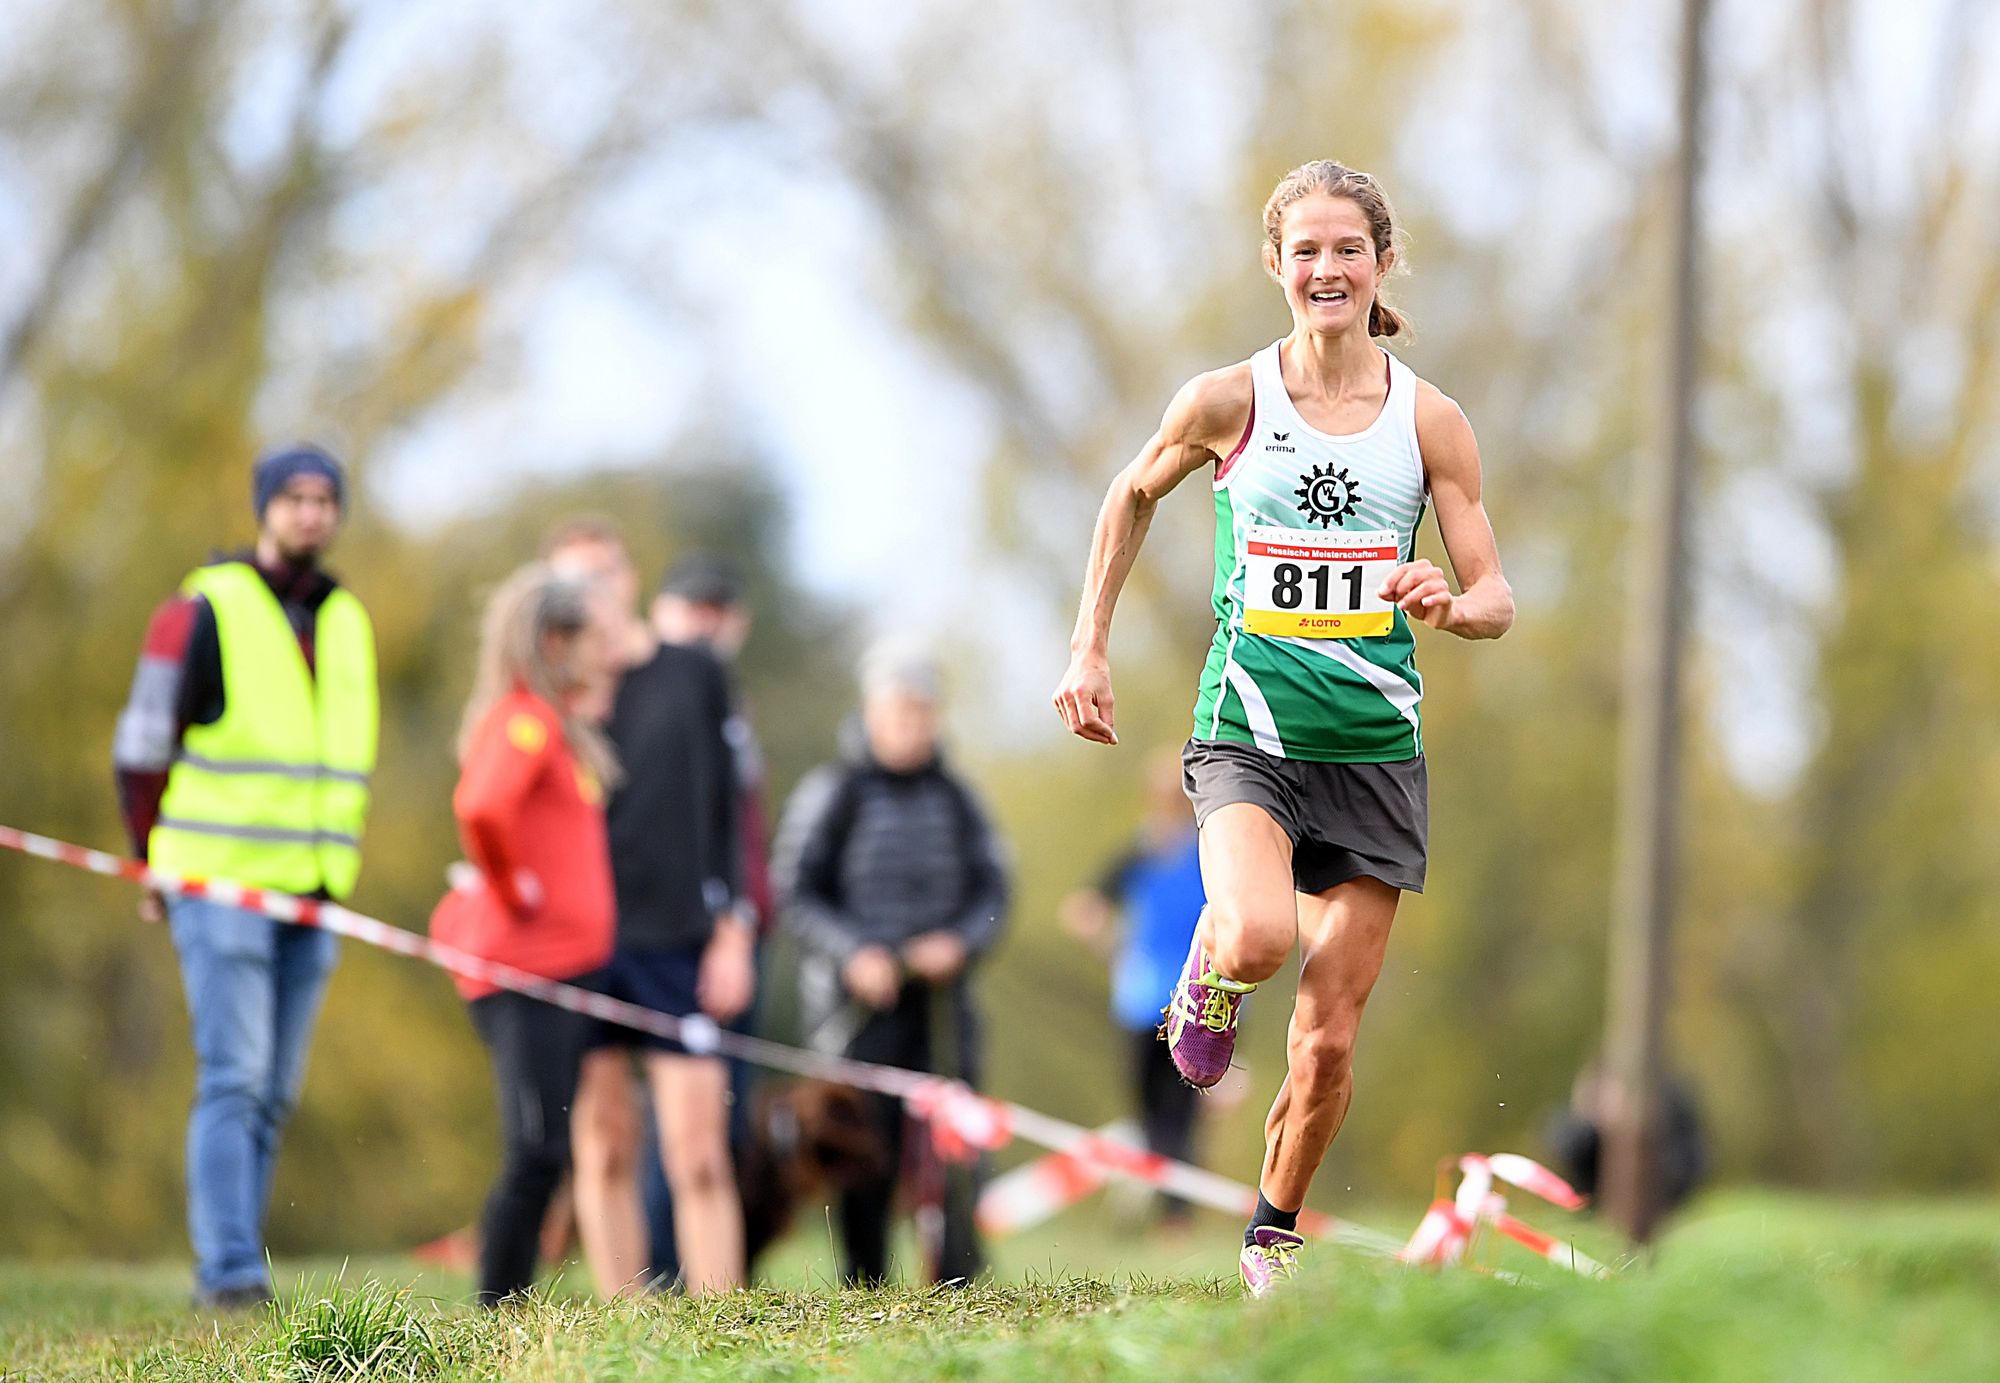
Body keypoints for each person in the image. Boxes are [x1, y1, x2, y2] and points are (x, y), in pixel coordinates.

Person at [1050, 160, 1515, 1297]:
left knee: (1326, 1042)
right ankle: (1208, 977)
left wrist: (1450, 605)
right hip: (1247, 733)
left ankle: (1270, 1238)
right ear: (1274, 264)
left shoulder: (1429, 421)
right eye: (1305, 250)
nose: (1326, 269)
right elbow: (1130, 494)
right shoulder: (1229, 401)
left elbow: (1495, 593)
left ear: (1382, 264)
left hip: (1374, 755)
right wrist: (1087, 646)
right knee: (1257, 937)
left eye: (1347, 249)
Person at [112, 444, 378, 1309]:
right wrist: (149, 855)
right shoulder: (202, 607)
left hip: (314, 886)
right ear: (264, 506)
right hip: (218, 881)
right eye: (294, 496)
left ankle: (241, 1261)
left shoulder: (346, 619)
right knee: (235, 1074)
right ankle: (228, 1273)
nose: (310, 512)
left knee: (273, 1091)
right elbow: (141, 744)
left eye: (324, 498)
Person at [543, 520, 754, 1298]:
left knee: (698, 1151)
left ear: (629, 578)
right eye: (572, 579)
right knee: (604, 1146)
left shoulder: (692, 672)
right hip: (585, 944)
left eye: (602, 572)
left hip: (680, 940)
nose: (591, 590)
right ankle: (624, 1322)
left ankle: (720, 1317)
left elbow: (730, 813)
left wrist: (733, 931)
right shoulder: (555, 693)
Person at [775, 642, 1010, 1286]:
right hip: (855, 1010)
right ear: (871, 712)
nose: (911, 724)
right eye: (899, 711)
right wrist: (854, 954)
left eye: (921, 711)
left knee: (954, 1147)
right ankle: (863, 1285)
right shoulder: (832, 791)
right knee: (861, 1150)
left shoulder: (960, 798)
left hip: (941, 1006)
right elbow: (793, 891)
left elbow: (994, 892)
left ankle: (960, 1281)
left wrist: (960, 942)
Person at [429, 564, 621, 1305]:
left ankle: (508, 1301)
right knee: (536, 1150)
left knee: (550, 1149)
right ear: (555, 641)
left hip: (564, 972)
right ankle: (498, 1310)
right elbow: (480, 807)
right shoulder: (525, 720)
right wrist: (513, 887)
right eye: (593, 639)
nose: (605, 653)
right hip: (524, 974)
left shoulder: (559, 724)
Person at [638, 553, 772, 1284]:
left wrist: (745, 921)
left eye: (719, 612)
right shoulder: (642, 695)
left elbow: (740, 826)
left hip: (739, 930)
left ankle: (718, 1281)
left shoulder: (732, 706)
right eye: (694, 609)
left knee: (725, 1113)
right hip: (672, 933)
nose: (706, 625)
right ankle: (659, 1273)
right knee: (672, 1117)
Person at [1058, 748, 1208, 1230]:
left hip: (1196, 1001)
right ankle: (1170, 1213)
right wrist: (1115, 948)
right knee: (1156, 1112)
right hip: (1145, 1000)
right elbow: (1082, 912)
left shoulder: (1208, 854)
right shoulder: (1138, 856)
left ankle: (1175, 1216)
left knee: (1180, 1111)